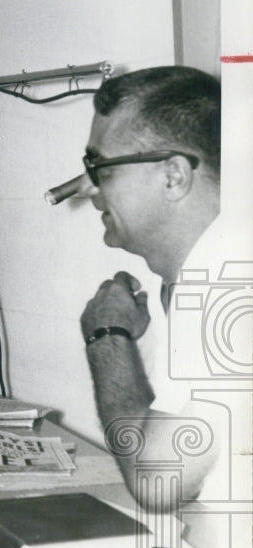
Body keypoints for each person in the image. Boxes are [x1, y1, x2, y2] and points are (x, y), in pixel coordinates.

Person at [77, 66, 251, 512]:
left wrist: (107, 335)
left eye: (100, 168)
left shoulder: (233, 287)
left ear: (173, 176)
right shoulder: (193, 276)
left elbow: (158, 480)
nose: (91, 190)